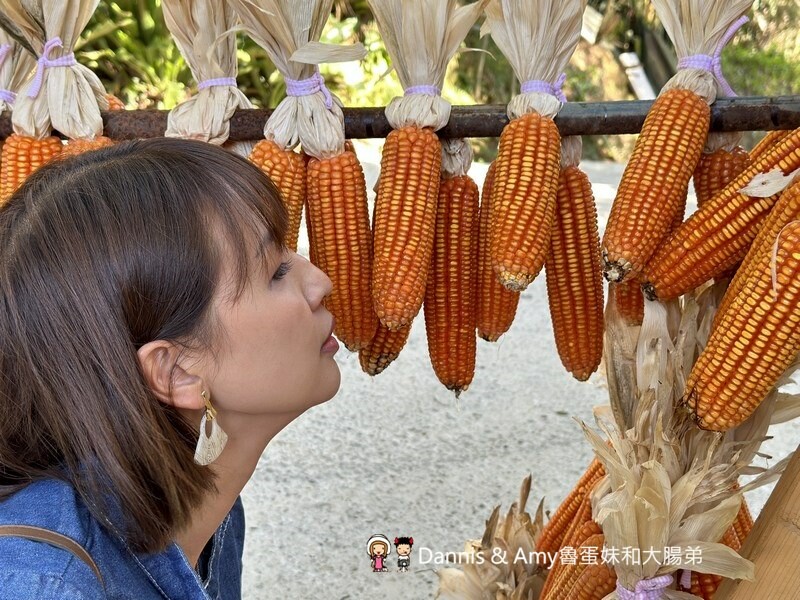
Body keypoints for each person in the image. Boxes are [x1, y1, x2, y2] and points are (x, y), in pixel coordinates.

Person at [0, 138, 341, 599]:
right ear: (177, 371)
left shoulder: (206, 501)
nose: (321, 282)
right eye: (276, 272)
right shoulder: (48, 586)